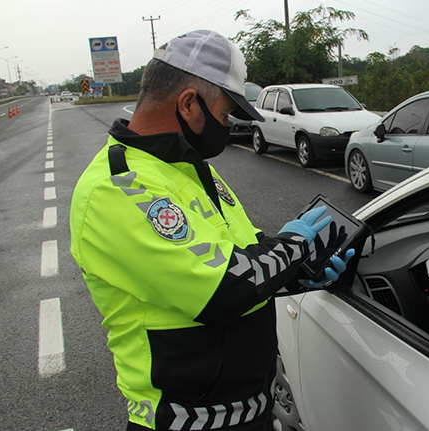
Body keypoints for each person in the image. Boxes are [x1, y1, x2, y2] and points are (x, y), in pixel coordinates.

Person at [69, 30, 354, 431]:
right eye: (223, 115)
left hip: (251, 411)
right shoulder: (118, 186)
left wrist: (299, 274)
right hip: (184, 422)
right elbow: (222, 290)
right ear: (189, 104)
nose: (226, 126)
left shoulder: (190, 170)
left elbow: (246, 256)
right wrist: (294, 247)